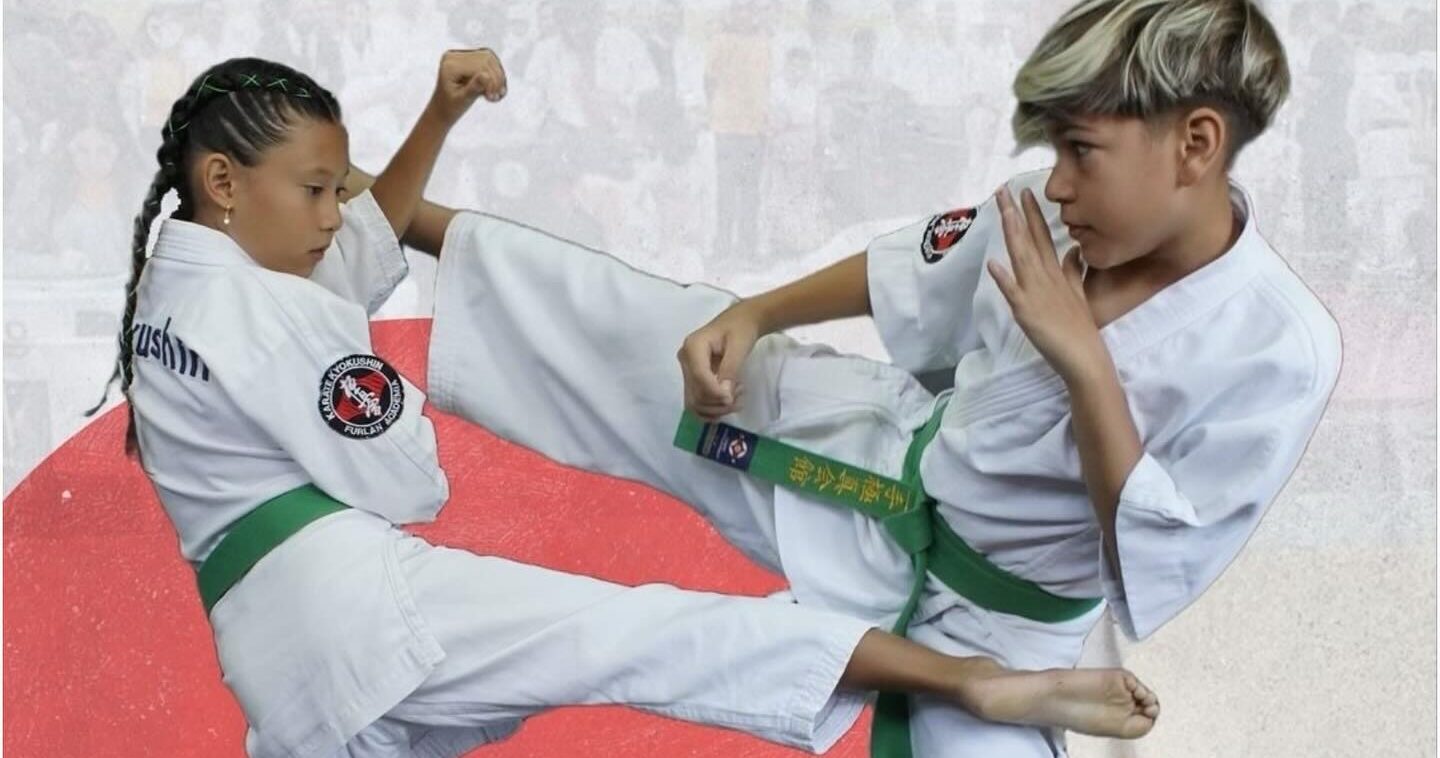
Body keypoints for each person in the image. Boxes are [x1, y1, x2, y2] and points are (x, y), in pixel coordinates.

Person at [93, 50, 1158, 758]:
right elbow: (407, 478)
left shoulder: (179, 284)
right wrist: (374, 394)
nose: (335, 214)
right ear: (225, 182)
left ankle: (967, 680)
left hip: (283, 661)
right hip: (367, 610)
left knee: (642, 612)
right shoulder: (272, 314)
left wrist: (438, 114)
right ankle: (970, 683)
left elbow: (360, 243)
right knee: (647, 632)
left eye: (338, 186)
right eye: (316, 190)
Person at [415, 1, 1340, 756]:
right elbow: (910, 271)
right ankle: (395, 217)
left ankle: (973, 699)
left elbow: (1152, 555)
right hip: (872, 475)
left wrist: (1086, 367)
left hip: (1002, 632)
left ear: (1196, 144)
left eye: (1082, 152)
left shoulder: (1279, 352)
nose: (1056, 183)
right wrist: (756, 313)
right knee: (653, 328)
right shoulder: (1047, 216)